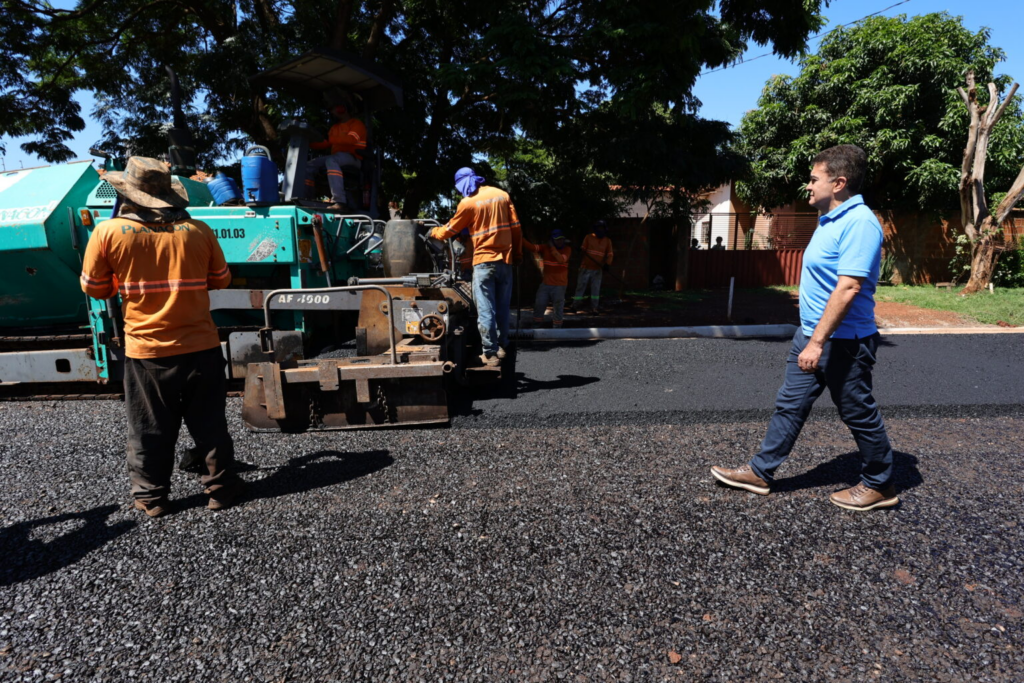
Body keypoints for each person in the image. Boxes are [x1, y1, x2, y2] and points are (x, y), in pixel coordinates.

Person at [711, 144, 898, 511]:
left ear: (839, 182)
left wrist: (817, 343)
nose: (808, 186)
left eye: (815, 179)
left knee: (857, 411)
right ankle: (760, 472)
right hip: (812, 335)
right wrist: (809, 338)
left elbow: (848, 287)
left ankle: (880, 483)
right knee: (789, 405)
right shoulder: (828, 219)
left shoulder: (859, 223)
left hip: (843, 342)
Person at [80, 157, 243, 518]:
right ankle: (221, 490)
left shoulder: (108, 233)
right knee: (210, 424)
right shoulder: (199, 230)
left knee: (149, 428)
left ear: (129, 195)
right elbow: (221, 279)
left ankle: (152, 499)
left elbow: (95, 288)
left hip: (147, 351)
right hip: (201, 346)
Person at [429, 168, 522, 367]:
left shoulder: (468, 203)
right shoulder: (501, 195)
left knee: (486, 309)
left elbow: (450, 230)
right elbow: (516, 228)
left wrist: (433, 232)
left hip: (483, 262)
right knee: (503, 307)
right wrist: (518, 253)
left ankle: (490, 353)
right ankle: (503, 345)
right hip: (505, 261)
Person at [304, 100, 367, 210]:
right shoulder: (335, 128)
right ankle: (306, 197)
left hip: (353, 158)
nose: (332, 113)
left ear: (342, 109)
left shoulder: (356, 124)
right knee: (309, 165)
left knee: (331, 161)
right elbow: (326, 143)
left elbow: (350, 139)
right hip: (338, 157)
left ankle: (339, 201)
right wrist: (307, 143)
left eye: (333, 109)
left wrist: (330, 138)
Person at [524, 229, 571, 328]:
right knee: (539, 304)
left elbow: (561, 260)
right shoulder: (545, 248)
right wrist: (519, 237)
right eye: (557, 239)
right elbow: (532, 248)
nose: (560, 241)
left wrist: (552, 248)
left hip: (560, 285)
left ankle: (557, 328)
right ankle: (537, 326)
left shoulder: (567, 249)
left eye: (561, 239)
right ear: (552, 240)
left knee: (558, 307)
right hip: (546, 284)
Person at [573, 220, 613, 314]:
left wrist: (607, 264)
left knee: (595, 290)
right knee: (580, 288)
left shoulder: (607, 241)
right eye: (599, 228)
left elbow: (610, 254)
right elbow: (583, 249)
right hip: (585, 268)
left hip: (597, 269)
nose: (600, 230)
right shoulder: (588, 237)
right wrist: (580, 250)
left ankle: (594, 308)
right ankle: (575, 306)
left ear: (605, 229)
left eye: (602, 228)